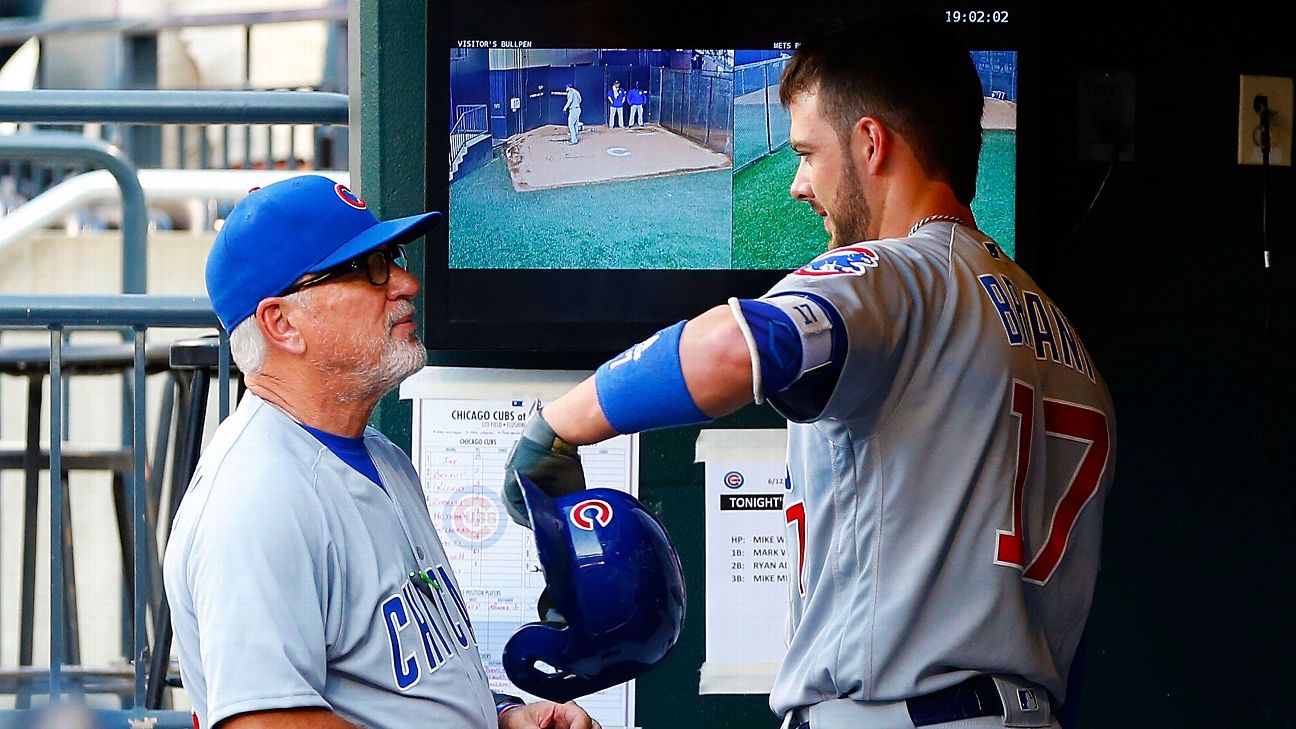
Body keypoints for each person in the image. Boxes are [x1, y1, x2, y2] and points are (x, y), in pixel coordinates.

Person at [501, 9, 1115, 729]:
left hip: (896, 712)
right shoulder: (1065, 337)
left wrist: (558, 425)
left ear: (870, 143)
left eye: (807, 151)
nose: (798, 183)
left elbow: (734, 347)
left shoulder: (895, 275)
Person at [164, 175, 600, 729]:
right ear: (283, 323)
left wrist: (503, 717)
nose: (406, 283)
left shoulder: (380, 456)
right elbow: (264, 722)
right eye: (369, 269)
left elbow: (405, 685)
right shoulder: (256, 497)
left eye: (391, 257)